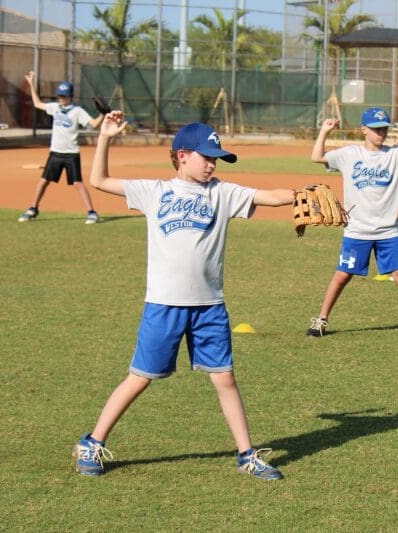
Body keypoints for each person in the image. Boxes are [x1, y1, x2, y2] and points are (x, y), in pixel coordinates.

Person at [72, 112, 294, 479]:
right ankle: (92, 442)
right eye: (206, 156)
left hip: (209, 306)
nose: (211, 164)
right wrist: (106, 137)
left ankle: (246, 455)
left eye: (216, 158)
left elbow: (268, 196)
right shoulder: (154, 191)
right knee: (140, 377)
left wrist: (302, 195)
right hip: (164, 304)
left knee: (225, 379)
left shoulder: (223, 192)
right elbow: (98, 180)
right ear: (181, 156)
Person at [306, 107, 398, 342]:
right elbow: (317, 157)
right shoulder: (349, 154)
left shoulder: (396, 155)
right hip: (357, 231)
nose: (381, 133)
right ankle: (321, 320)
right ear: (363, 130)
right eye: (376, 129)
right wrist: (324, 131)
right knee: (342, 275)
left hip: (388, 231)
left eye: (384, 129)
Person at [18, 71, 104, 224]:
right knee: (44, 181)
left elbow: (94, 124)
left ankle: (92, 213)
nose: (61, 99)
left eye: (64, 96)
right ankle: (33, 208)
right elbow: (37, 104)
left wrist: (103, 114)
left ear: (70, 96)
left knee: (78, 183)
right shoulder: (54, 107)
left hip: (71, 153)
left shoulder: (77, 111)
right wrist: (31, 84)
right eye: (60, 96)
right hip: (55, 153)